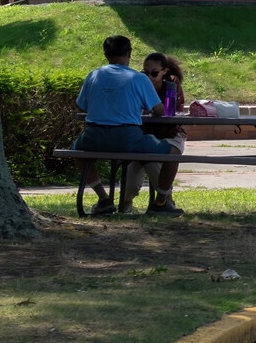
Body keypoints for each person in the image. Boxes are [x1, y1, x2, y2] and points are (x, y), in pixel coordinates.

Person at [72, 34, 178, 215]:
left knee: (76, 152)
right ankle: (161, 202)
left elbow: (81, 105)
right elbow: (160, 110)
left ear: (105, 55)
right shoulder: (139, 78)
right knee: (174, 153)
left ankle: (103, 199)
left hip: (94, 136)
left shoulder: (94, 75)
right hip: (128, 138)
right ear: (129, 53)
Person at [139, 52, 189, 214]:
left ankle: (163, 200)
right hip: (147, 134)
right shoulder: (139, 83)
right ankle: (164, 200)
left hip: (170, 132)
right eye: (145, 73)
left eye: (154, 73)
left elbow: (167, 112)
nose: (149, 77)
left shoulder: (171, 85)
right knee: (147, 162)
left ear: (165, 72)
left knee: (162, 156)